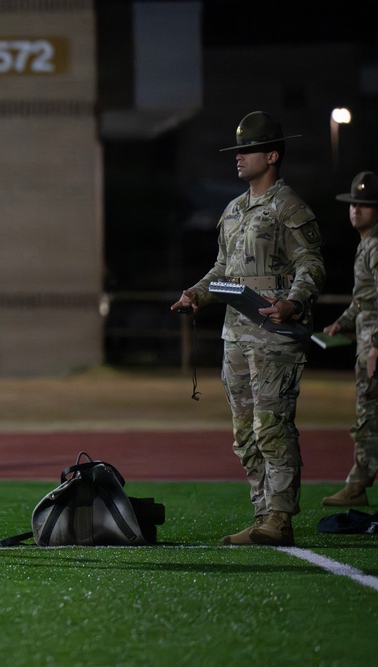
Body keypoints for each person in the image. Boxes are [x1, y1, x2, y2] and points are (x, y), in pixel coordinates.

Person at [171, 112, 325, 546]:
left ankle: (280, 517)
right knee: (244, 432)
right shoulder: (234, 209)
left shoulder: (288, 206)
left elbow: (311, 263)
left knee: (272, 426)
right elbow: (223, 269)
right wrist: (195, 295)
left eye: (248, 150)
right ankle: (261, 516)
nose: (238, 158)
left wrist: (294, 302)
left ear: (272, 155)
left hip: (275, 337)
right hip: (235, 336)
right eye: (236, 151)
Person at [320, 171, 378, 507]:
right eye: (354, 203)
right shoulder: (368, 243)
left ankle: (357, 484)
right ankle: (357, 481)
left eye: (365, 204)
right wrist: (342, 323)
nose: (356, 209)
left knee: (368, 415)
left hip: (373, 345)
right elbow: (364, 299)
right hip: (366, 340)